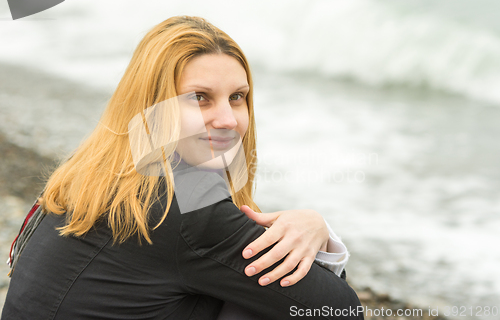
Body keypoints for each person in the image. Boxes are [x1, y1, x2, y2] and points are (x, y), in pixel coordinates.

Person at [2, 16, 363, 319]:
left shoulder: (96, 173)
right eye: (199, 98)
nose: (227, 119)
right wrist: (321, 233)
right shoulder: (184, 202)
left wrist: (312, 227)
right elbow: (340, 310)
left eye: (237, 97)